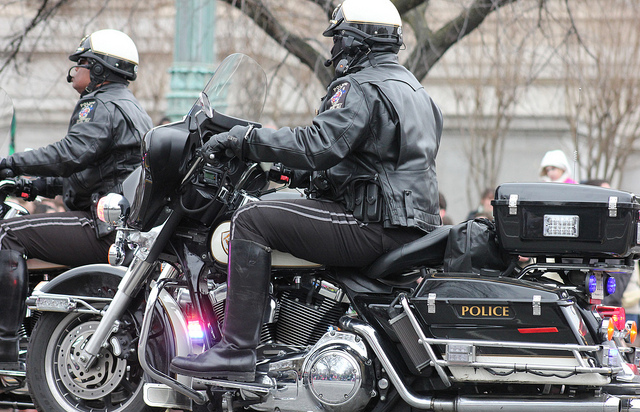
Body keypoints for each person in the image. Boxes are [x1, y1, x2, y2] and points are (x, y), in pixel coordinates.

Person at [171, 0, 443, 381]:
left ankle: (236, 349)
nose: (334, 49)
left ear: (355, 41)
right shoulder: (416, 91)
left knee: (251, 220)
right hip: (411, 226)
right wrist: (290, 174)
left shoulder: (359, 86)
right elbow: (368, 163)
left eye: (337, 39)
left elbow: (318, 145)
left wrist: (245, 139)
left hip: (372, 225)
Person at [0, 29, 152, 368]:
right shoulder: (130, 107)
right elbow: (90, 172)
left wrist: (10, 162)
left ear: (98, 68)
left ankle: (5, 346)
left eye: (81, 62)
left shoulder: (100, 104)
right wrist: (31, 185)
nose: (74, 71)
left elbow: (71, 154)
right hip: (120, 226)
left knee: (8, 235)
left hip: (103, 228)